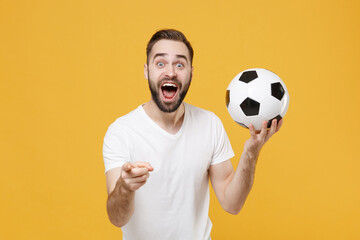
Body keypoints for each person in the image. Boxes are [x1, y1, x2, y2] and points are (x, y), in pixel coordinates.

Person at [103, 29, 282, 240]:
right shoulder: (121, 131)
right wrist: (125, 187)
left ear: (191, 72)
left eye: (180, 64)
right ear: (146, 71)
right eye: (160, 63)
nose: (170, 72)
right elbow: (117, 218)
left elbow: (232, 204)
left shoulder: (210, 124)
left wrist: (251, 152)